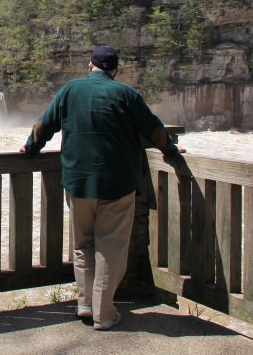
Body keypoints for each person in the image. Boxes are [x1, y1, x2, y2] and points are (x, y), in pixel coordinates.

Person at [20, 44, 183, 330]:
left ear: (89, 66)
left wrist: (31, 148)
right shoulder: (127, 94)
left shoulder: (70, 90)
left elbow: (44, 125)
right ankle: (103, 314)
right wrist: (170, 149)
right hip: (117, 185)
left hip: (78, 183)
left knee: (82, 245)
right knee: (111, 249)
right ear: (115, 70)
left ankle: (85, 304)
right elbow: (154, 130)